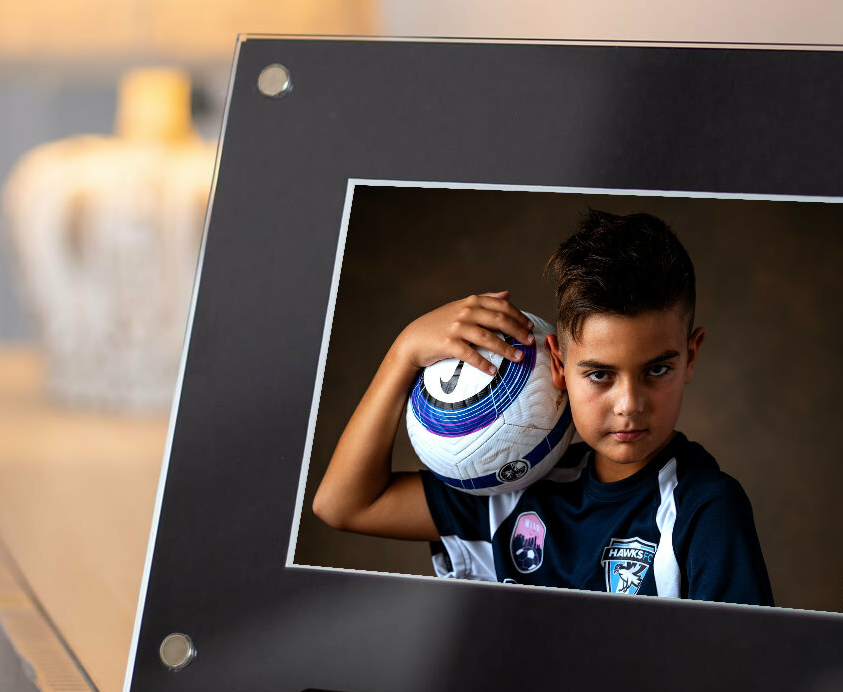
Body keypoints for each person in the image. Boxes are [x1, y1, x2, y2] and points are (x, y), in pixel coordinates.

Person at [312, 208, 774, 605]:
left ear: (690, 356)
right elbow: (344, 504)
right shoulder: (513, 481)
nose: (629, 405)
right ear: (558, 363)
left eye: (657, 370)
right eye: (600, 375)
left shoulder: (704, 510)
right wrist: (404, 352)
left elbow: (741, 685)